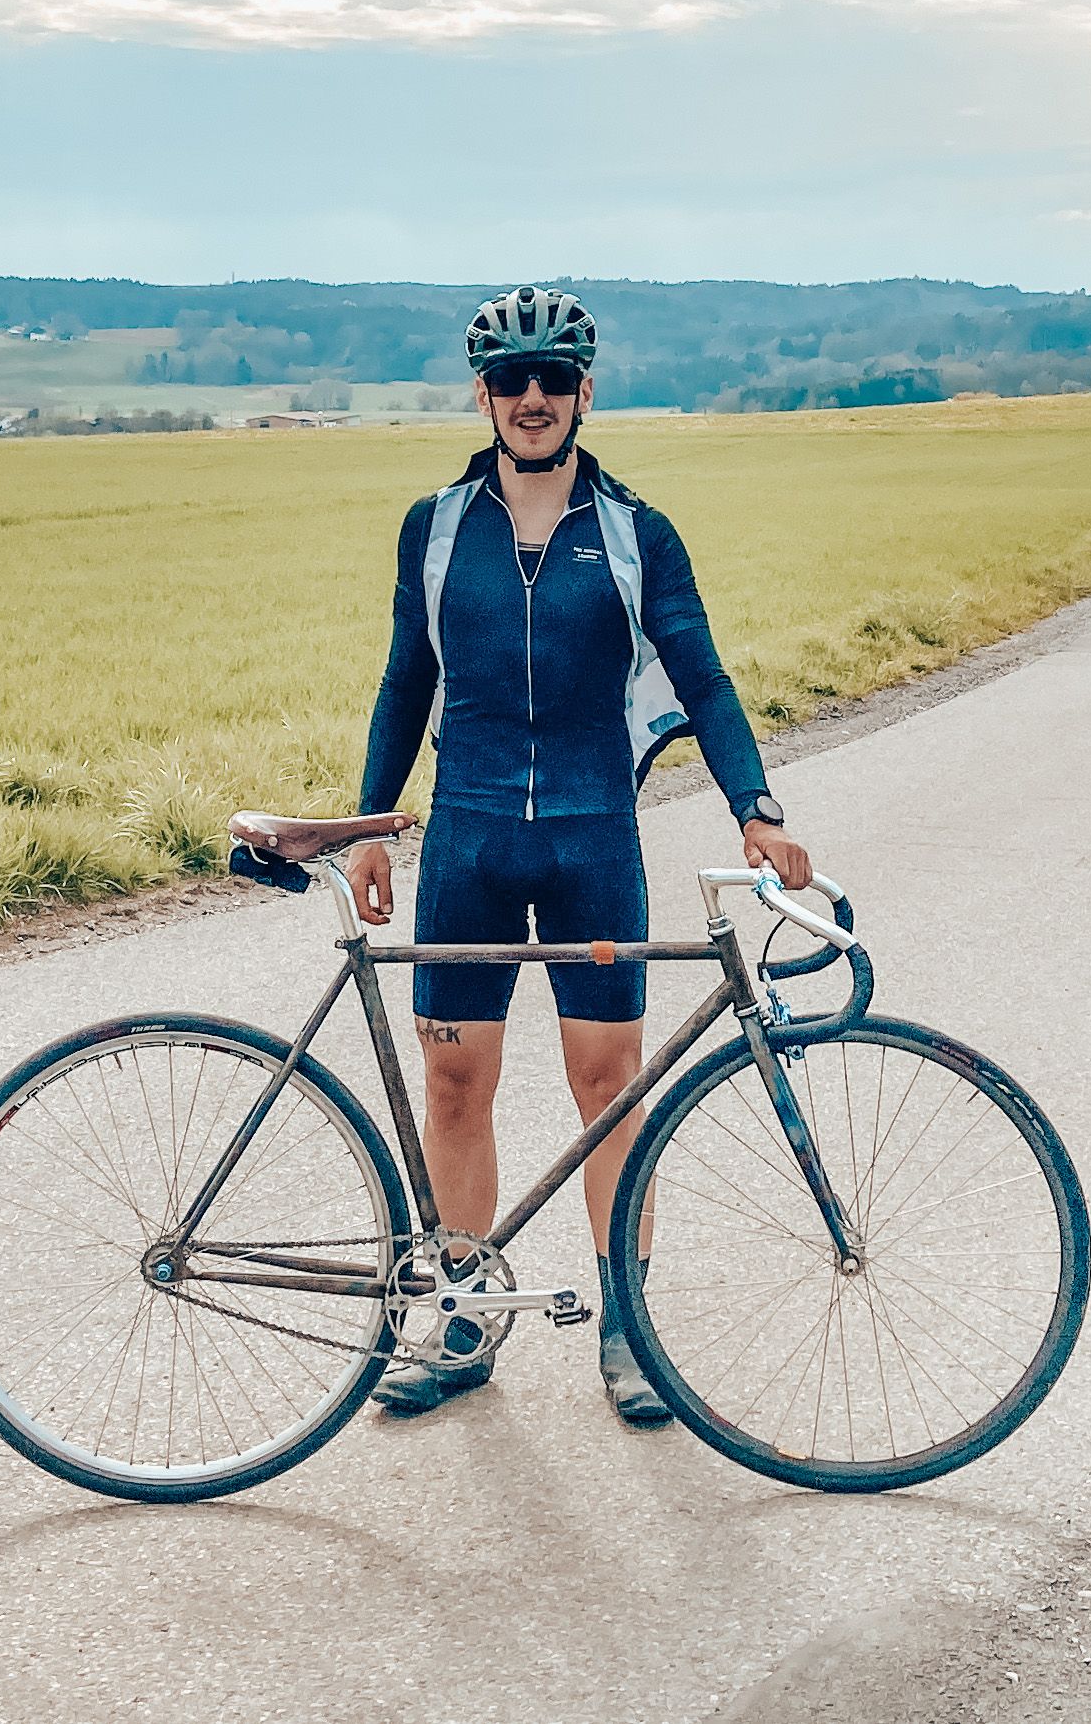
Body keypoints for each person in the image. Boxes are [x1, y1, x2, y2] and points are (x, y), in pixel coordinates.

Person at [347, 284, 812, 1424]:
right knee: (456, 1083)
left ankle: (629, 1331)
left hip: (596, 838)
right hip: (468, 839)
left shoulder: (637, 533)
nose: (535, 397)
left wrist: (756, 806)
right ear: (485, 396)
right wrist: (369, 822)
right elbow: (409, 677)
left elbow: (700, 675)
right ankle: (462, 1315)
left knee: (608, 1092)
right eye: (514, 380)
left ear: (586, 393)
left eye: (556, 378)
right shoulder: (436, 527)